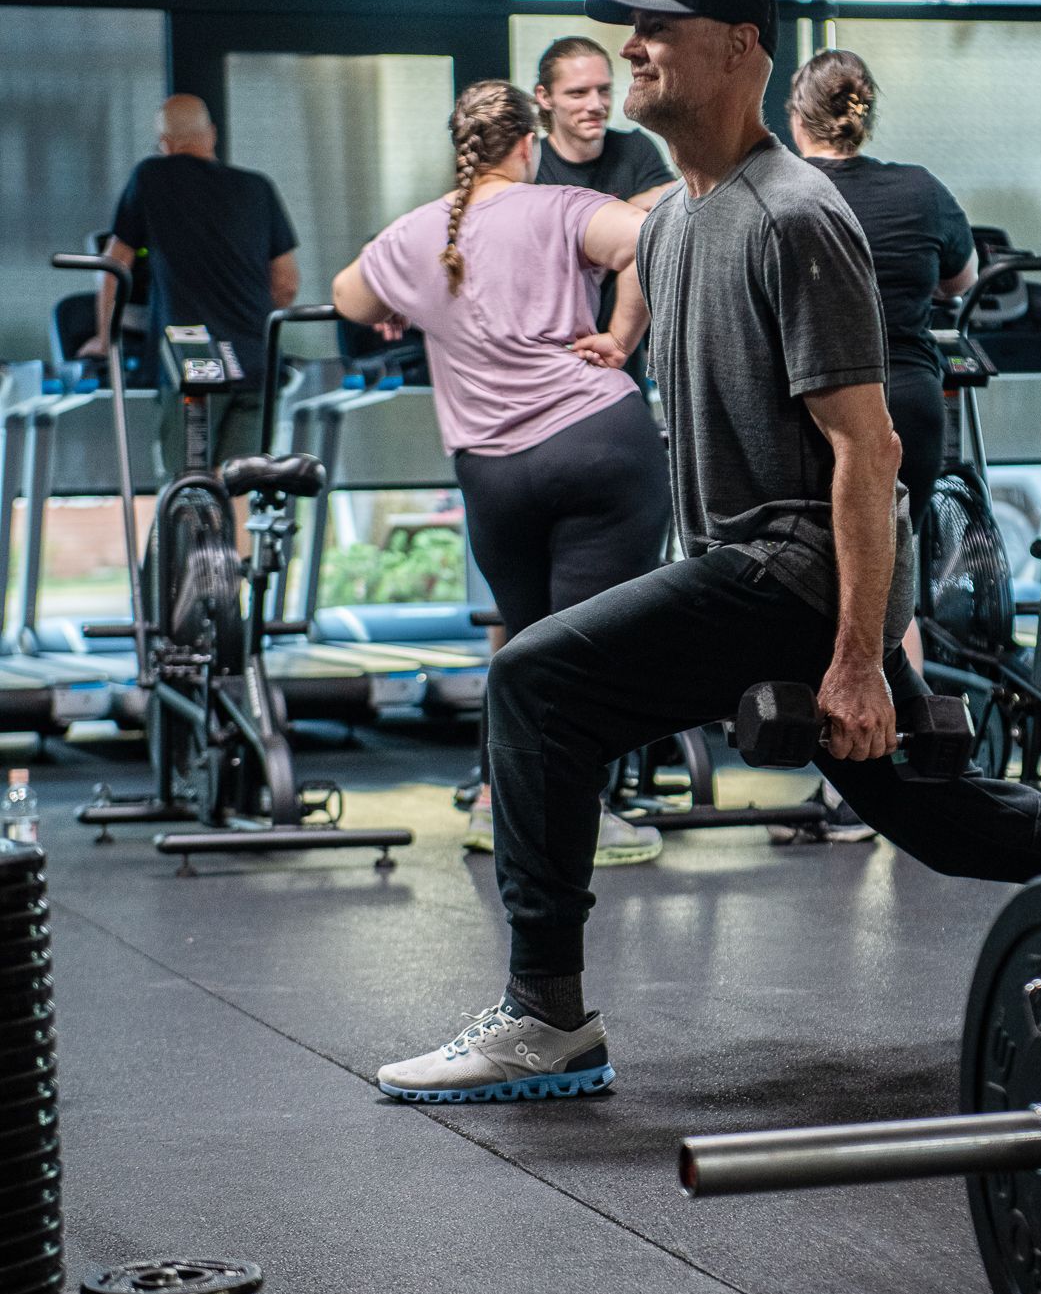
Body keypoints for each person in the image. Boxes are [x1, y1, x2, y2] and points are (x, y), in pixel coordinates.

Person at [374, 0, 1041, 1109]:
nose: (632, 51)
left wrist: (862, 658)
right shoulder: (674, 225)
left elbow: (866, 451)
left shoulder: (796, 215)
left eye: (655, 31)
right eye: (631, 33)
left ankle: (546, 1015)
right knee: (946, 824)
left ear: (738, 51)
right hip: (746, 567)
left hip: (799, 568)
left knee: (534, 683)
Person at [331, 79, 672, 868]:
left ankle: (504, 805)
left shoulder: (418, 235)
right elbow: (656, 239)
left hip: (494, 472)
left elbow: (350, 296)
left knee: (527, 651)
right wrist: (620, 335)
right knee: (592, 649)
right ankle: (577, 815)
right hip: (597, 445)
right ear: (528, 144)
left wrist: (409, 302)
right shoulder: (557, 206)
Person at [776, 46, 977, 844]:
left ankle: (863, 777)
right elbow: (961, 281)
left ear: (796, 117)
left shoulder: (787, 189)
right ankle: (890, 769)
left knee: (828, 585)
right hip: (911, 400)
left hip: (826, 403)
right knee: (887, 580)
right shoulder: (921, 190)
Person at [86, 94, 299, 477]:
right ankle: (232, 540)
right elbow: (286, 283)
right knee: (240, 486)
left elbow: (115, 267)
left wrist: (104, 339)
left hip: (196, 358)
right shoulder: (258, 188)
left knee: (188, 485)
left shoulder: (152, 177)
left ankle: (185, 535)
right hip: (256, 360)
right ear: (211, 135)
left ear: (165, 144)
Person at [533, 36, 678, 387]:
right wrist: (623, 216)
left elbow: (679, 201)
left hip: (622, 360)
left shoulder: (634, 148)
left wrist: (617, 218)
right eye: (578, 93)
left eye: (604, 90)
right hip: (551, 360)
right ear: (544, 97)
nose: (596, 104)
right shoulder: (532, 165)